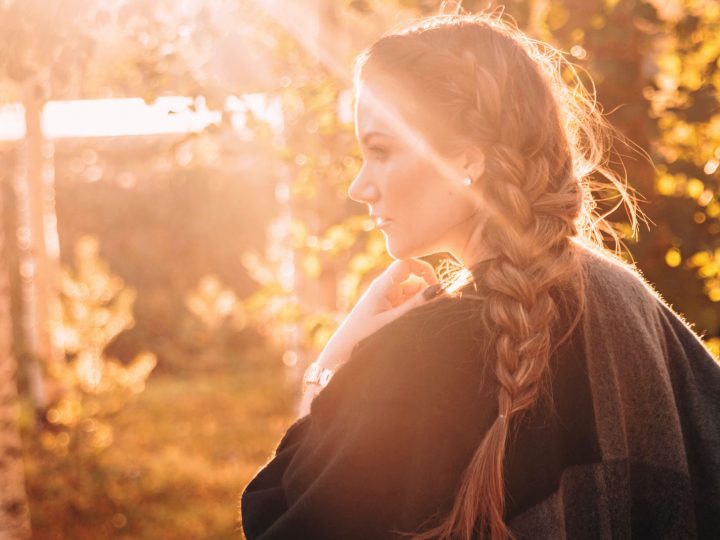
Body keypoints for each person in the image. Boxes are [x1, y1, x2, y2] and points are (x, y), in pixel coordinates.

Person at [240, 10, 720, 540]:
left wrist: (329, 373)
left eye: (381, 151)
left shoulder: (416, 357)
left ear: (467, 160)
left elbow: (286, 523)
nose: (360, 186)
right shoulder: (629, 300)